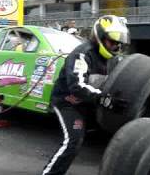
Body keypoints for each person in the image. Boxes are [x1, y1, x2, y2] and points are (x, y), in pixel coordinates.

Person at [42, 15, 130, 175]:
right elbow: (77, 86)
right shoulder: (82, 54)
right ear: (100, 37)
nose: (116, 46)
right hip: (67, 102)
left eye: (119, 43)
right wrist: (105, 99)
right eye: (112, 41)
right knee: (73, 141)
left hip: (89, 103)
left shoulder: (113, 60)